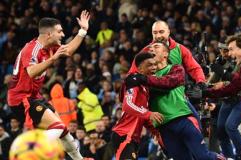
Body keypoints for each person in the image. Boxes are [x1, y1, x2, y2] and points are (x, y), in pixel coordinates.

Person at [7, 11, 90, 160]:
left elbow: (68, 50)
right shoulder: (32, 49)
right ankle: (30, 154)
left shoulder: (49, 48)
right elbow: (31, 71)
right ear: (49, 34)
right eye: (60, 31)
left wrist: (83, 31)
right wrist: (53, 60)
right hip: (21, 99)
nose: (63, 35)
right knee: (57, 127)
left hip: (34, 96)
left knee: (63, 129)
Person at [126, 42, 225, 160]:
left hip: (183, 119)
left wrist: (141, 79)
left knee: (203, 156)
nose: (151, 49)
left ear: (165, 54)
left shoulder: (176, 69)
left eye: (156, 47)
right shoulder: (146, 79)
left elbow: (168, 83)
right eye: (150, 48)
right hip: (164, 128)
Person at [107, 53, 163, 160]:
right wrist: (149, 113)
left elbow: (142, 116)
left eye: (155, 65)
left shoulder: (145, 88)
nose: (154, 68)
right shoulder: (134, 83)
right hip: (123, 135)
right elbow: (128, 105)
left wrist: (155, 131)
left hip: (134, 138)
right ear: (140, 69)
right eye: (150, 65)